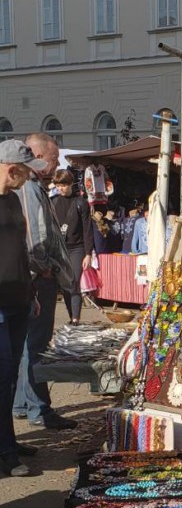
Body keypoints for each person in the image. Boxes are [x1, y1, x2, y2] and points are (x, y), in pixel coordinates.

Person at [13, 132, 74, 432]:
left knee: (27, 345)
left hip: (31, 277)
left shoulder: (32, 186)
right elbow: (34, 235)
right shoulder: (29, 188)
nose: (55, 164)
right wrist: (45, 268)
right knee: (36, 345)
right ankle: (38, 407)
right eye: (52, 158)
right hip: (37, 278)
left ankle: (24, 403)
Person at [0, 141, 47, 476]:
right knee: (2, 378)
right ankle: (6, 454)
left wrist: (31, 291)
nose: (29, 178)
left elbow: (19, 248)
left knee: (10, 378)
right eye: (26, 171)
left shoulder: (14, 200)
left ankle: (8, 442)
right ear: (12, 169)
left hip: (18, 299)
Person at [50, 169, 94, 324]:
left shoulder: (80, 202)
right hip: (59, 248)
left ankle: (75, 318)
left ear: (70, 184)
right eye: (58, 185)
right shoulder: (53, 201)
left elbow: (88, 229)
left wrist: (89, 253)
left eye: (63, 185)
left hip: (77, 248)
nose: (60, 188)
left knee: (74, 281)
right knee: (65, 284)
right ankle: (70, 317)